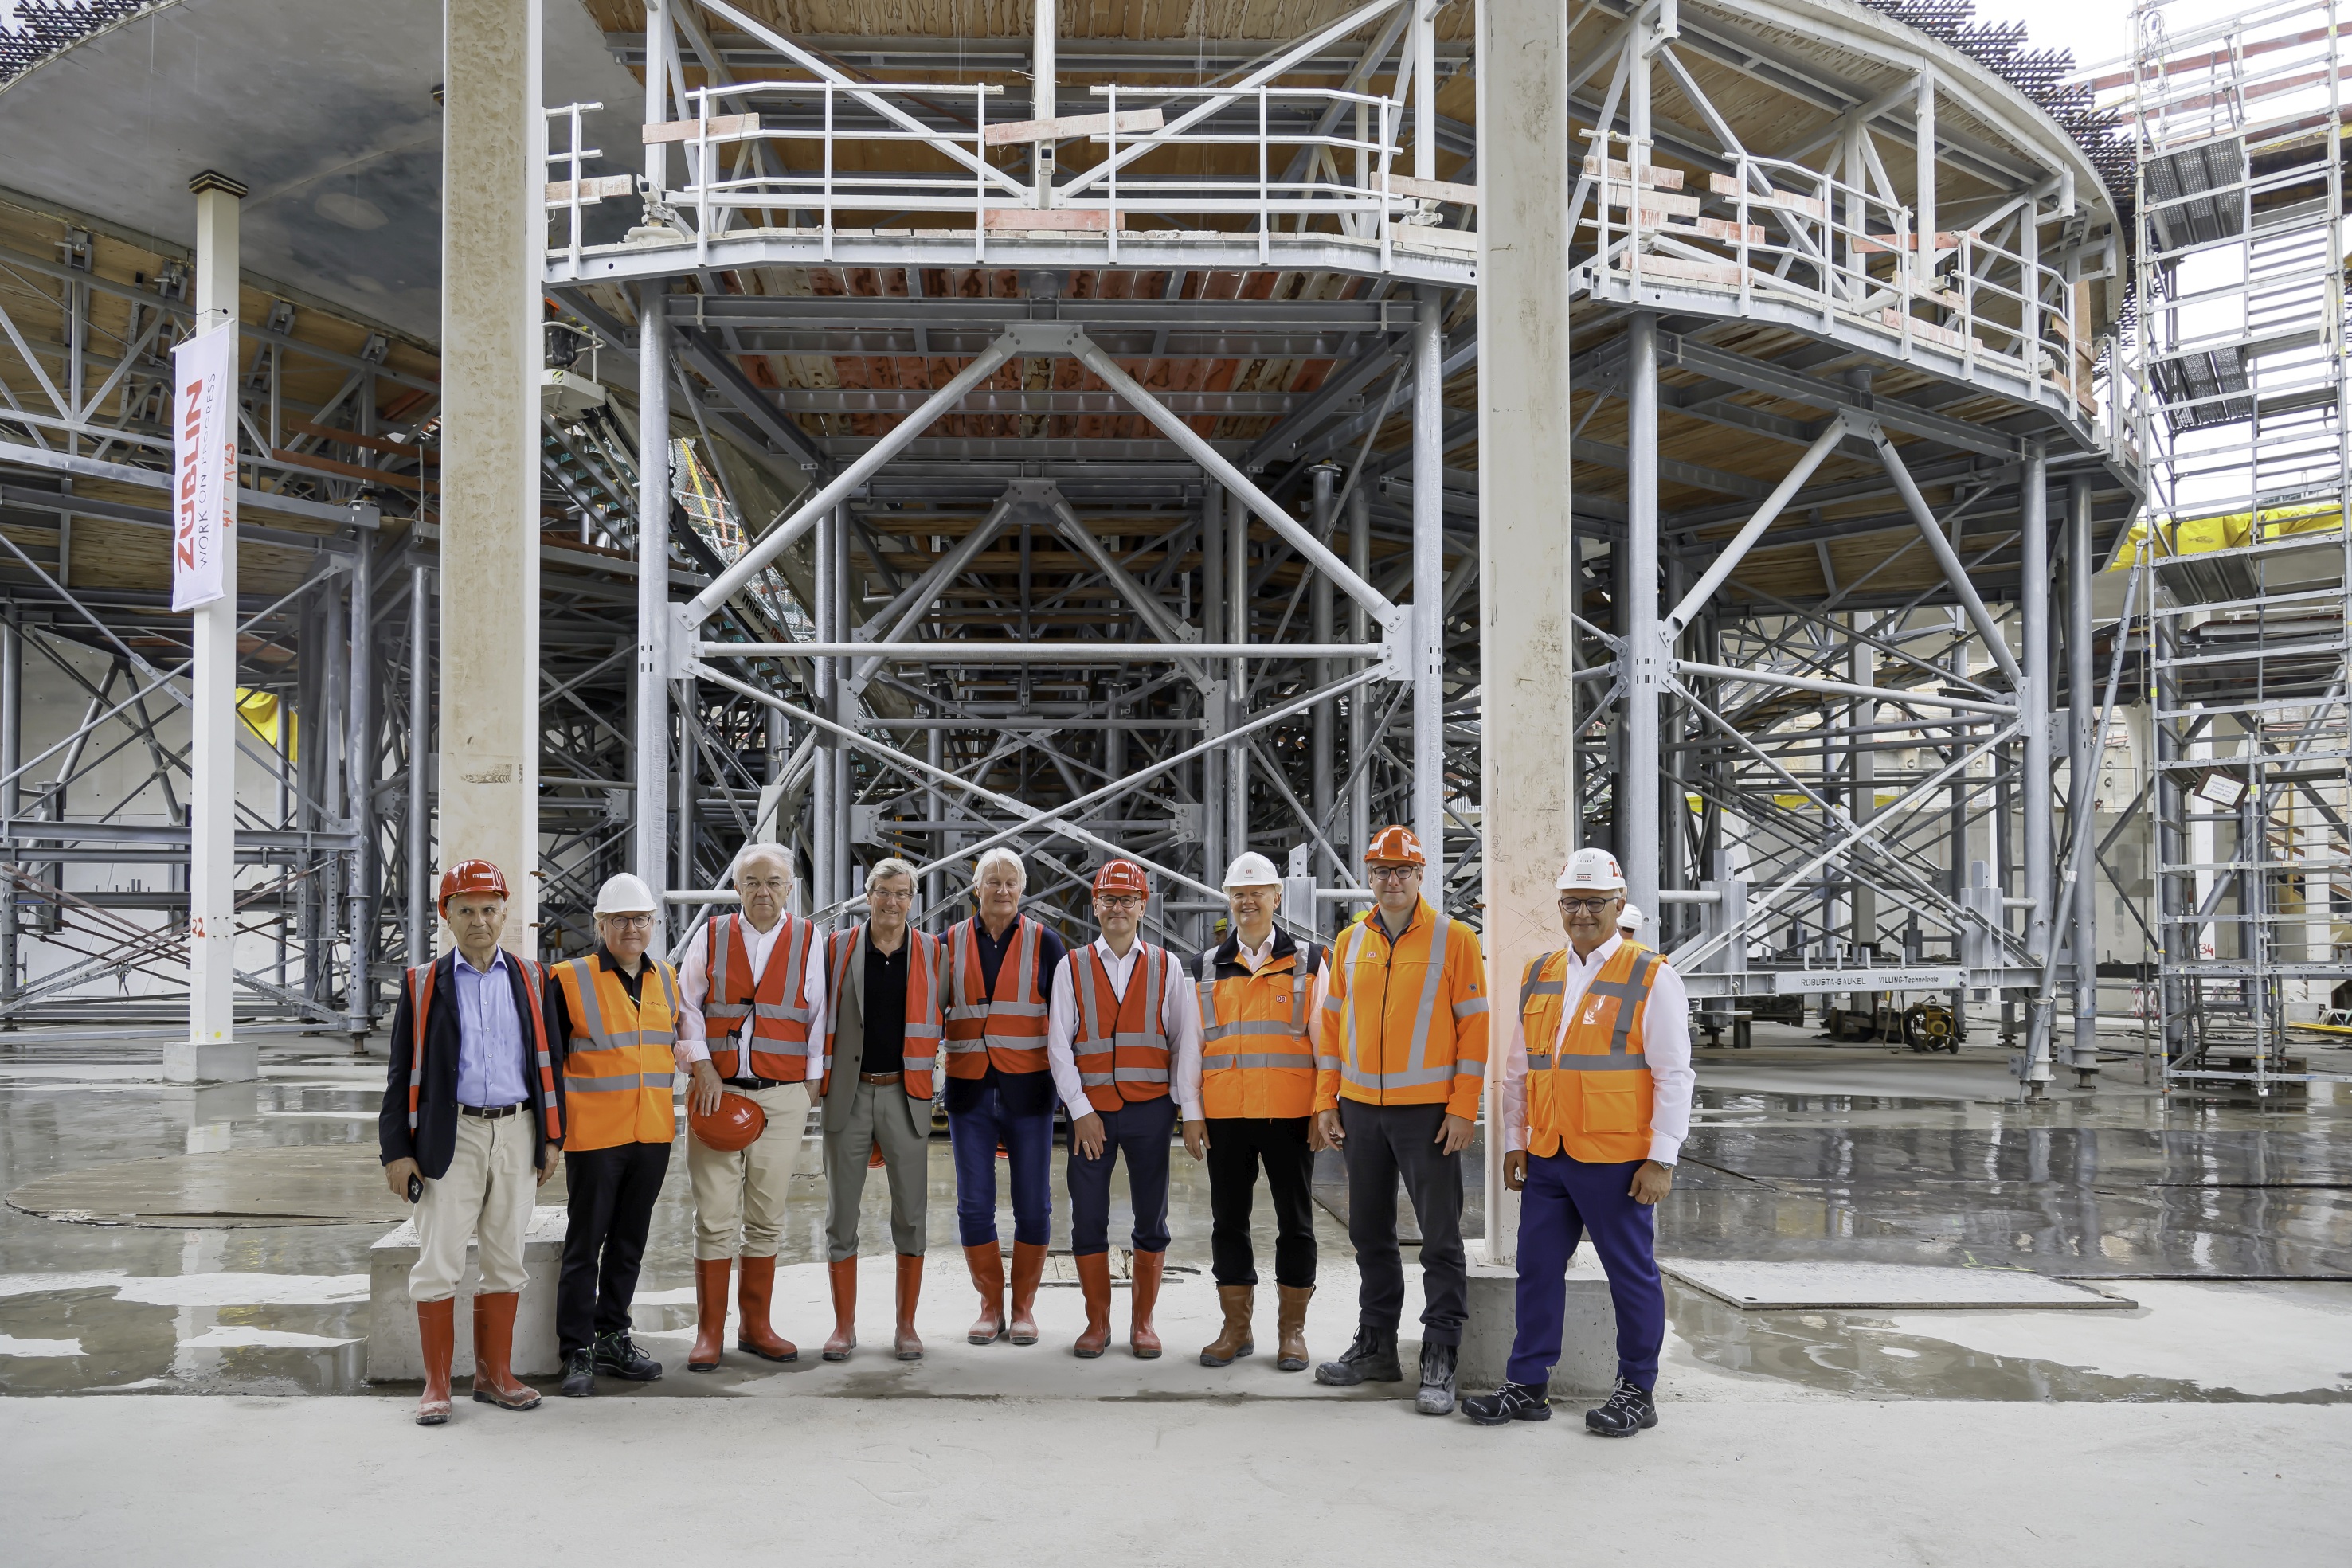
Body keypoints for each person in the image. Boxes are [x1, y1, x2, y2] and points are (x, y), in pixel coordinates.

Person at [1462, 848, 1693, 1437]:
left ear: (1619, 904)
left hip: (1617, 1160)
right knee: (1537, 1269)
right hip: (1549, 1154)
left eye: (1594, 902)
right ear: (1560, 906)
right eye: (1572, 903)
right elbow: (1520, 1067)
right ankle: (1527, 1384)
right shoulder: (1540, 972)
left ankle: (1637, 1390)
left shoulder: (1651, 975)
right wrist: (1515, 1139)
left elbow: (1674, 1075)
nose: (1582, 913)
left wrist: (1661, 1158)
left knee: (1630, 1274)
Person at [378, 859, 563, 1425]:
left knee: (507, 1258)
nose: (479, 920)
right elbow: (399, 1072)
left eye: (489, 909)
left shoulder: (534, 979)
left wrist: (552, 1137)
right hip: (450, 1134)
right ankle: (437, 1385)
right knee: (439, 1260)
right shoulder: (422, 984)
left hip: (518, 1129)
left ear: (505, 913)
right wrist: (397, 1150)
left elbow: (553, 1063)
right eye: (466, 910)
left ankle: (495, 1376)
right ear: (447, 915)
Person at [1312, 824, 1489, 1416]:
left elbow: (1475, 1027)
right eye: (1382, 870)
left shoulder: (1454, 938)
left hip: (1428, 1115)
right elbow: (1331, 1027)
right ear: (1370, 875)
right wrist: (1326, 1099)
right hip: (1361, 1111)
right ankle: (1376, 1346)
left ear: (1420, 875)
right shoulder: (1348, 942)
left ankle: (1440, 1352)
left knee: (1439, 1238)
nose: (1392, 880)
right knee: (1369, 1234)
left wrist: (1462, 1107)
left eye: (1403, 870)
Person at [1045, 858, 1203, 1359]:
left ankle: (1143, 1324)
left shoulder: (1167, 966)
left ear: (1142, 906)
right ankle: (1097, 1324)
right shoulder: (1071, 967)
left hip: (1150, 1111)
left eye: (1128, 900)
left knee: (1151, 1218)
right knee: (1087, 1217)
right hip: (1091, 1114)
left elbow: (1184, 1042)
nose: (1118, 908)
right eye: (1109, 899)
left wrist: (1186, 1109)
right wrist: (1079, 1110)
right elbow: (1059, 1046)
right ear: (1095, 906)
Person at [675, 842, 824, 1371]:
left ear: (789, 889)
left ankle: (756, 1327)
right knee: (714, 1216)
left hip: (783, 1095)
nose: (764, 891)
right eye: (753, 882)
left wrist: (808, 1088)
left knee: (766, 1217)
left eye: (774, 882)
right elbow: (686, 1005)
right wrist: (701, 1067)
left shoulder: (809, 938)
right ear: (737, 888)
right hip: (717, 1091)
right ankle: (708, 1333)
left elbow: (819, 1016)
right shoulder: (711, 935)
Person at [546, 872, 679, 1398]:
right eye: (620, 919)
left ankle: (612, 1336)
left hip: (652, 1133)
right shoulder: (568, 979)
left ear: (653, 924)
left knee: (629, 1243)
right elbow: (548, 1064)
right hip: (595, 1136)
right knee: (586, 1244)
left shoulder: (666, 978)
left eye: (640, 919)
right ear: (600, 924)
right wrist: (551, 1135)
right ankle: (575, 1348)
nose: (631, 928)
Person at [1193, 851, 1325, 1372]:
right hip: (1226, 1115)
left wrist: (1324, 1107)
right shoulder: (1206, 966)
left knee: (1296, 1222)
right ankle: (1236, 1328)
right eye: (1239, 894)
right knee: (1228, 1222)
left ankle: (1292, 1332)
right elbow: (1192, 1049)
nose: (1248, 901)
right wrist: (1191, 1114)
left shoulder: (1309, 962)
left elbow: (1327, 1043)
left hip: (1290, 1114)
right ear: (1228, 899)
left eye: (1257, 893)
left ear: (1276, 897)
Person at [816, 857, 942, 1361]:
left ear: (912, 900)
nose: (892, 902)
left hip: (905, 1096)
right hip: (848, 1095)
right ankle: (843, 1327)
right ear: (868, 896)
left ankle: (906, 1327)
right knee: (841, 1216)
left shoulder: (934, 953)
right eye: (883, 892)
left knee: (911, 1215)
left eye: (902, 893)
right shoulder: (837, 949)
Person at [942, 847, 1066, 1345]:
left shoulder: (1046, 942)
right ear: (977, 890)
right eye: (992, 881)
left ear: (1022, 890)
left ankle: (1023, 1308)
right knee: (974, 1205)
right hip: (969, 1092)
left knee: (1033, 1206)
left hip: (1029, 1093)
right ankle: (990, 1305)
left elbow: (1067, 1022)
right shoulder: (947, 943)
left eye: (1011, 882)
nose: (1002, 890)